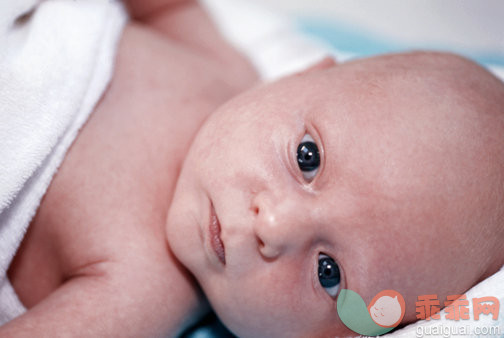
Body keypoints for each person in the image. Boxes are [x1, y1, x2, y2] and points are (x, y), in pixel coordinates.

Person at [1, 1, 503, 338]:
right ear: (307, 74)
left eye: (329, 273)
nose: (273, 225)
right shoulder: (221, 61)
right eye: (308, 159)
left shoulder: (145, 292)